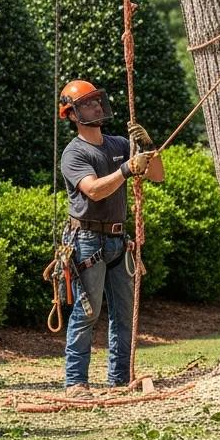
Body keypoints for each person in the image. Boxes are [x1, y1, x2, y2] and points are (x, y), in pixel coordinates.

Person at [58, 79, 164, 397]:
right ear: (73, 114)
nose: (96, 107)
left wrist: (147, 147)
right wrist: (126, 171)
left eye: (96, 101)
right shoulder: (74, 153)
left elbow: (157, 174)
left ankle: (119, 377)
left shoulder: (119, 145)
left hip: (119, 241)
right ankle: (75, 381)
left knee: (124, 312)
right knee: (87, 312)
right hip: (86, 240)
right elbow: (93, 189)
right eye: (88, 104)